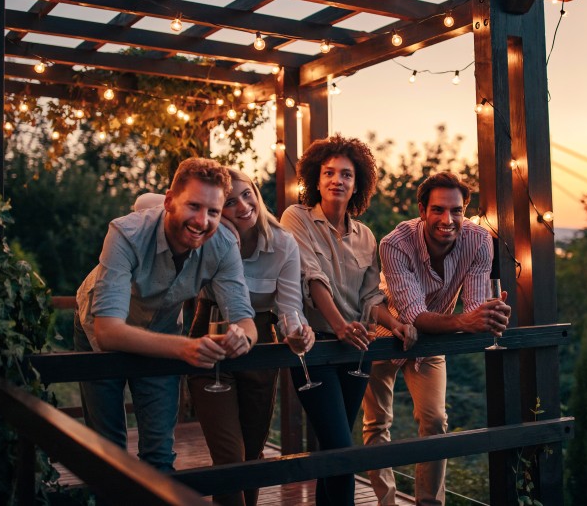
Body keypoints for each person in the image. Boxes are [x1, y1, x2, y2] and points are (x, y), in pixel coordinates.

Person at [135, 169, 315, 506]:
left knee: (252, 454)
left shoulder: (282, 243)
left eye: (247, 194)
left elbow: (290, 309)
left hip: (260, 345)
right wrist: (213, 218)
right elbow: (144, 202)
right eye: (229, 202)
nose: (243, 206)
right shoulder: (209, 232)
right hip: (210, 333)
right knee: (229, 455)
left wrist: (299, 336)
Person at [73, 157, 258, 471]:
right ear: (169, 201)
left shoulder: (224, 246)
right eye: (194, 206)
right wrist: (185, 348)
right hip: (97, 328)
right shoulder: (126, 233)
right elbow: (108, 331)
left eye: (213, 212)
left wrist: (243, 338)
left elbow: (245, 320)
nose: (202, 221)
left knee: (159, 455)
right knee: (108, 451)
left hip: (163, 333)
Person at [362, 172, 511, 506]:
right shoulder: (394, 244)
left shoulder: (479, 240)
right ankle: (385, 501)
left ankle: (429, 504)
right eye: (438, 210)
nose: (448, 219)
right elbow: (414, 314)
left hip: (432, 339)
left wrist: (491, 316)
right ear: (422, 210)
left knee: (435, 421)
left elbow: (474, 308)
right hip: (384, 333)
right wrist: (467, 321)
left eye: (456, 210)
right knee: (377, 423)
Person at [279, 134, 390, 506]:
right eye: (329, 172)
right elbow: (311, 277)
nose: (337, 180)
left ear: (357, 184)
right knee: (342, 452)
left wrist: (396, 324)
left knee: (334, 449)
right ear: (316, 178)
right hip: (316, 348)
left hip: (356, 351)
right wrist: (340, 325)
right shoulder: (296, 218)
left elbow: (371, 297)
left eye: (346, 174)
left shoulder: (366, 236)